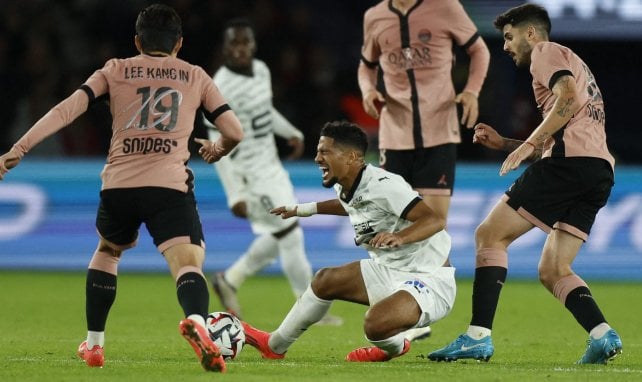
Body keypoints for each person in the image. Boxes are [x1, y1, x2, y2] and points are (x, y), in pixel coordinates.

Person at [0, 4, 244, 372]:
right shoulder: (195, 75)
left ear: (137, 40)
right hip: (168, 185)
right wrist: (217, 149)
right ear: (179, 43)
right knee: (187, 263)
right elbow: (235, 131)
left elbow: (67, 110)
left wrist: (18, 149)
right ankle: (196, 322)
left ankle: (94, 345)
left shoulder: (115, 69)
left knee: (108, 251)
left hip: (119, 185)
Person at [428, 4, 623, 365]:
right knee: (553, 269)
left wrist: (531, 143)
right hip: (598, 172)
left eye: (509, 36)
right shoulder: (577, 63)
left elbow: (567, 99)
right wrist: (506, 144)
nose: (505, 45)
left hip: (569, 165)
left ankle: (477, 337)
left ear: (530, 33)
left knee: (489, 235)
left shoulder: (545, 53)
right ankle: (602, 335)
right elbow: (565, 132)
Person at [239, 120, 456, 362]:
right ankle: (274, 345)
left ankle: (397, 344)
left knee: (375, 325)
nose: (317, 158)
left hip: (429, 278)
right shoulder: (348, 184)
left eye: (325, 152)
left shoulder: (385, 186)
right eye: (318, 151)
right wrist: (302, 209)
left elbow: (434, 220)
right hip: (389, 269)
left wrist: (399, 237)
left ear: (352, 157)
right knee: (325, 280)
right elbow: (349, 204)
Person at [358, 0, 490, 340]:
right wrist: (368, 89)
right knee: (394, 224)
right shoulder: (375, 16)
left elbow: (480, 51)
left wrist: (472, 92)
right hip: (394, 134)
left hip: (439, 133)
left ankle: (421, 307)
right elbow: (365, 66)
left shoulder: (445, 7)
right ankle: (411, 310)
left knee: (432, 224)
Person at [205, 18, 342, 326]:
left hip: (271, 166)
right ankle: (308, 307)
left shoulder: (262, 70)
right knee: (290, 234)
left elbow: (265, 110)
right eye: (234, 44)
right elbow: (217, 143)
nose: (240, 49)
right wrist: (235, 193)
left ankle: (230, 279)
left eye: (245, 43)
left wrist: (290, 132)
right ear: (225, 49)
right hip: (249, 172)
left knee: (280, 232)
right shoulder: (219, 87)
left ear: (253, 45)